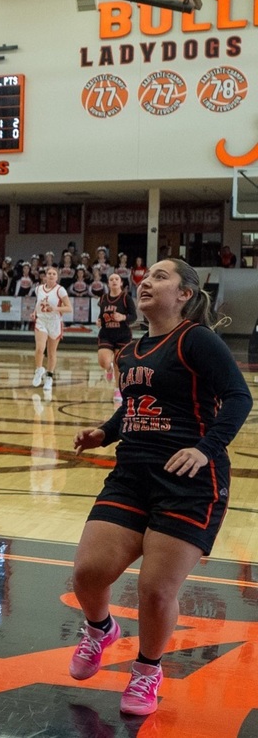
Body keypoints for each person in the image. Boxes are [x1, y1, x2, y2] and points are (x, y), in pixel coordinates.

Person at [70, 258, 252, 716]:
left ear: (185, 294)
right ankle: (100, 629)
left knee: (155, 590)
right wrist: (105, 432)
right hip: (131, 476)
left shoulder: (197, 340)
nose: (146, 282)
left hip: (188, 482)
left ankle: (147, 670)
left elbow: (239, 397)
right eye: (145, 277)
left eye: (160, 277)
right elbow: (134, 405)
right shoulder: (131, 350)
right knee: (88, 573)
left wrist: (207, 448)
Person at [95, 272, 137, 404]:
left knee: (120, 364)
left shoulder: (126, 298)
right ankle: (109, 368)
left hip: (123, 335)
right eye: (111, 279)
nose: (114, 281)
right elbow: (102, 315)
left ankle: (117, 389)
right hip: (106, 334)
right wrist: (99, 320)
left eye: (116, 279)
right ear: (108, 283)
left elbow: (134, 316)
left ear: (121, 283)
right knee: (103, 361)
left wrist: (123, 317)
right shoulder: (103, 299)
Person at [31, 267, 72, 395]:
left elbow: (69, 308)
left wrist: (55, 308)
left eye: (54, 274)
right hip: (41, 321)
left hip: (54, 322)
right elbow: (38, 303)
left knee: (51, 352)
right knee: (39, 348)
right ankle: (39, 370)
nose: (51, 275)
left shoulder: (60, 290)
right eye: (49, 273)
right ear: (45, 276)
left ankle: (49, 377)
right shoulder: (38, 289)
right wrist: (34, 312)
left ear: (57, 277)